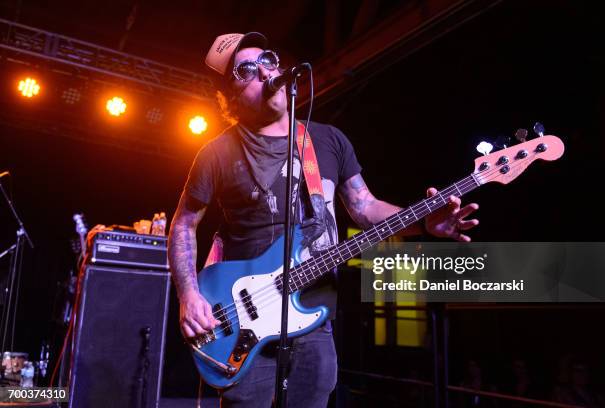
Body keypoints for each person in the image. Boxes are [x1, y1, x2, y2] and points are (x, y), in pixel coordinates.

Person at [168, 32, 480, 408]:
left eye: (268, 60)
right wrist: (188, 295)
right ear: (231, 96)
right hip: (241, 321)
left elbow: (365, 207)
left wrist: (425, 223)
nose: (265, 72)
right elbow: (183, 224)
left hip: (314, 318)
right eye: (246, 70)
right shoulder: (215, 153)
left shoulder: (328, 140)